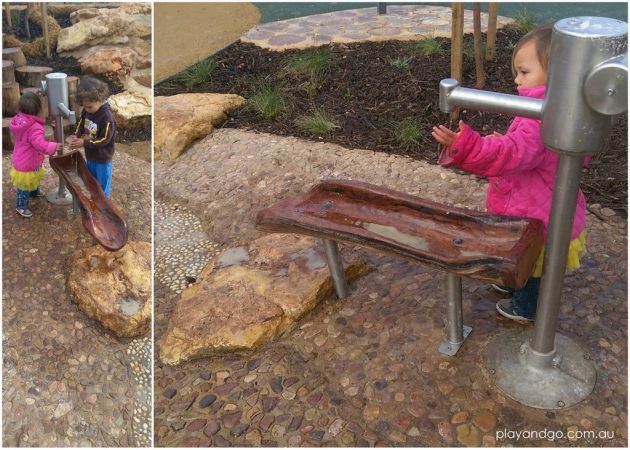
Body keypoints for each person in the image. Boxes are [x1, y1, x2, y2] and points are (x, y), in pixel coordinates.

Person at [431, 25, 587, 322]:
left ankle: (527, 308)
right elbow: (525, 151)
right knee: (528, 260)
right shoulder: (556, 107)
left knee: (534, 266)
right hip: (541, 201)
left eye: (524, 72)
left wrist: (469, 145)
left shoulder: (540, 116)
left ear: (558, 74)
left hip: (538, 216)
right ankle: (516, 285)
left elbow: (512, 154)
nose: (516, 79)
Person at [9, 92, 62, 218]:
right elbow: (39, 144)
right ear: (38, 109)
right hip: (28, 161)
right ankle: (21, 206)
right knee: (24, 186)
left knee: (34, 177)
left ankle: (34, 191)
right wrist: (53, 146)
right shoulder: (34, 127)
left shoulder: (19, 120)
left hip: (22, 157)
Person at [66, 76, 116, 198]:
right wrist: (76, 135)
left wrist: (84, 143)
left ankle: (104, 205)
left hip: (103, 158)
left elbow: (105, 139)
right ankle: (95, 199)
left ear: (100, 99)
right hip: (91, 155)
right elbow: (81, 123)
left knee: (102, 185)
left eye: (89, 107)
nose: (87, 109)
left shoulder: (107, 117)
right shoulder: (87, 111)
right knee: (92, 181)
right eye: (85, 106)